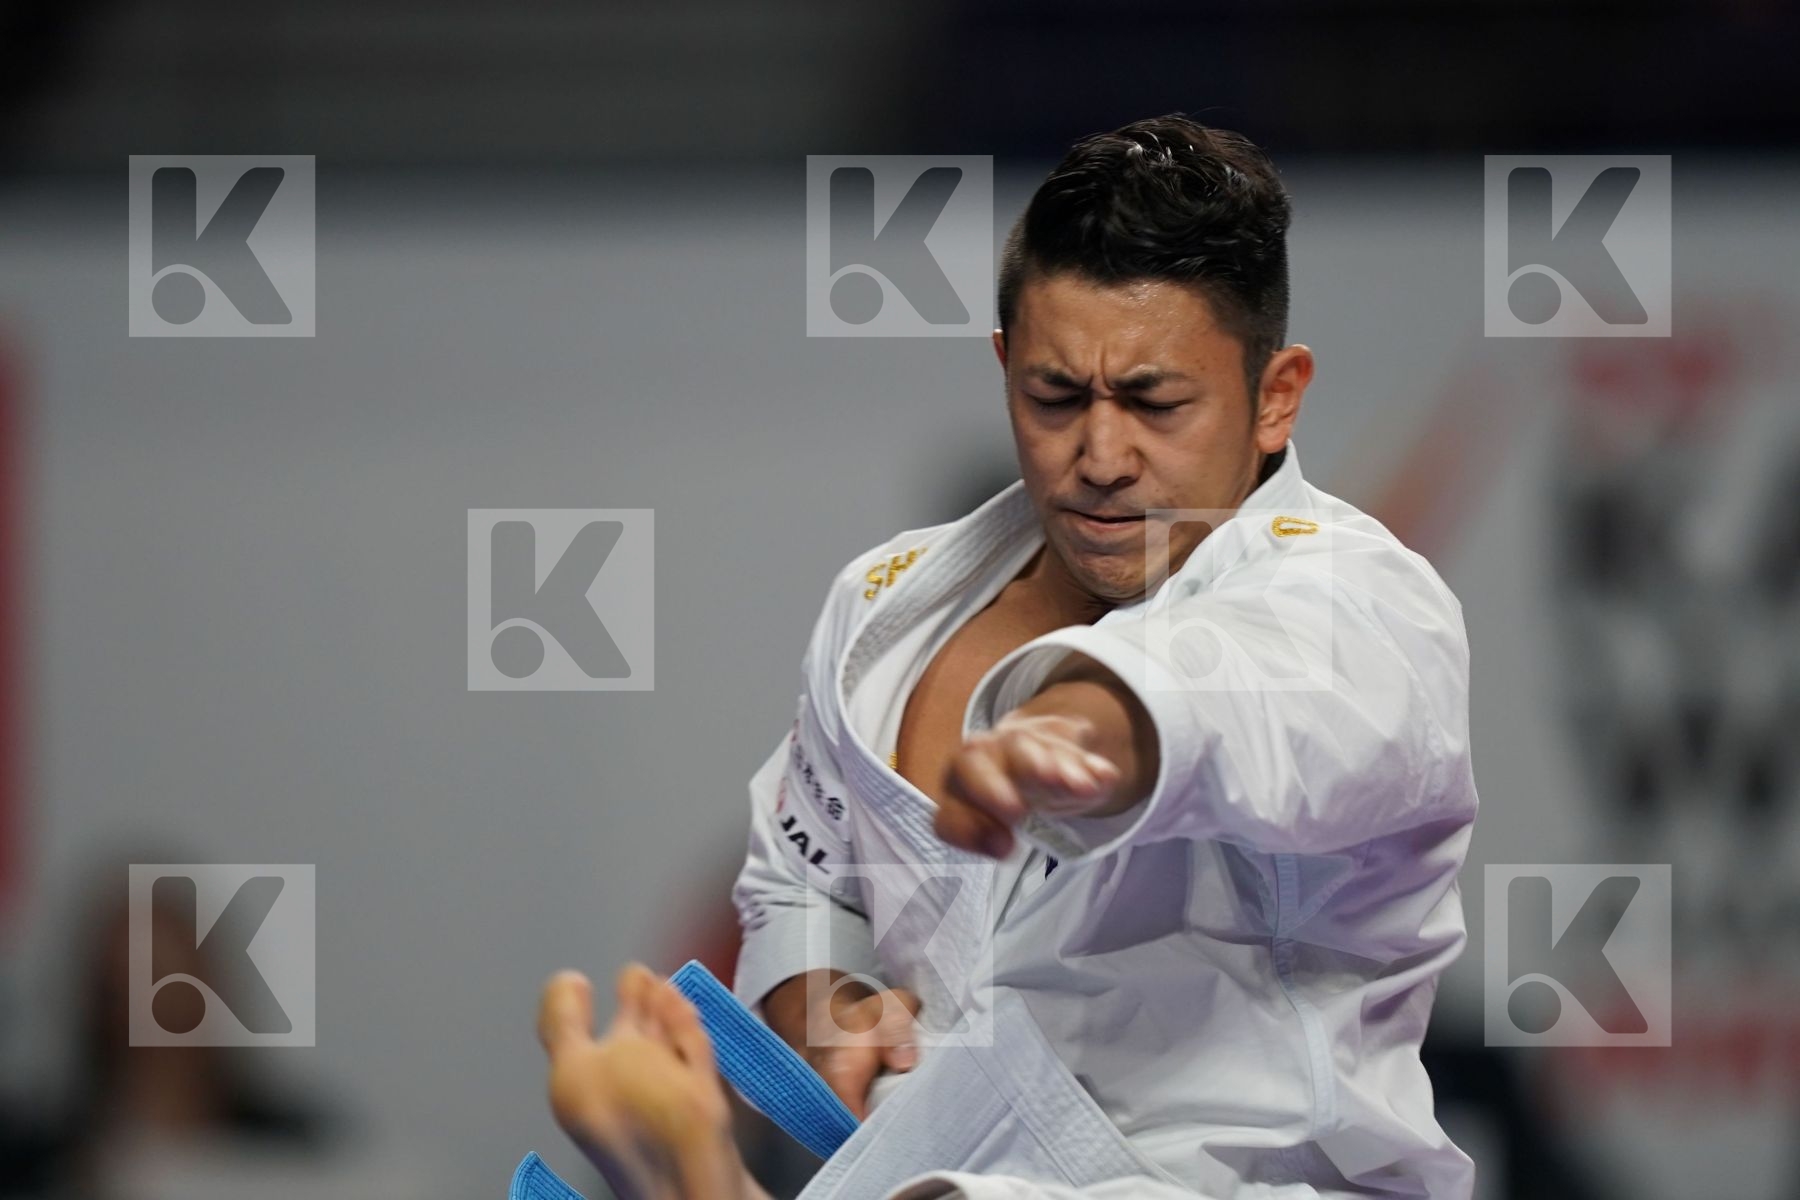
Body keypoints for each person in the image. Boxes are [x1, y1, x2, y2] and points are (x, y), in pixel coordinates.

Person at [536, 113, 1479, 1199]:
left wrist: (1072, 727)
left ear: (1276, 396)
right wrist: (826, 995)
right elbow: (799, 873)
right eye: (1057, 396)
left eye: (1154, 402)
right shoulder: (886, 611)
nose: (1102, 455)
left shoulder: (1361, 597)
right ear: (1005, 368)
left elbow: (1234, 689)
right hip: (941, 1165)